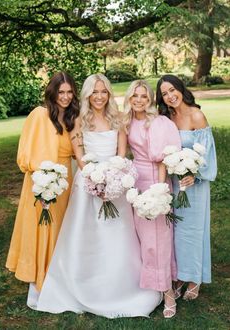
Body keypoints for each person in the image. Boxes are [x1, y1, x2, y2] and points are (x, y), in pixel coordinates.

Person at [27, 73, 161, 317]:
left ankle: (120, 287)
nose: (99, 97)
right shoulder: (78, 120)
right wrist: (93, 177)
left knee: (118, 236)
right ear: (87, 94)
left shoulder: (118, 118)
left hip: (115, 183)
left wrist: (113, 179)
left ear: (109, 94)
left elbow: (121, 154)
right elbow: (79, 154)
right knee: (85, 236)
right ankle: (80, 285)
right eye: (94, 92)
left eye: (104, 92)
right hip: (88, 182)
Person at [6, 72, 80, 291]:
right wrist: (42, 181)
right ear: (52, 92)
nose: (65, 97)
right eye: (61, 92)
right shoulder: (40, 114)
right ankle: (39, 276)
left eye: (69, 92)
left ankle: (57, 274)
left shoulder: (72, 119)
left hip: (64, 181)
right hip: (41, 181)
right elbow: (25, 151)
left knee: (60, 228)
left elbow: (78, 152)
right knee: (42, 227)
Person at [123, 80, 181, 318]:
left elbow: (160, 160)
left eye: (144, 96)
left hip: (156, 181)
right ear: (129, 98)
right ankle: (157, 285)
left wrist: (159, 190)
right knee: (145, 239)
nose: (139, 100)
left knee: (159, 239)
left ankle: (167, 292)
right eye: (135, 96)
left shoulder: (157, 122)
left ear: (150, 100)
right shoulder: (127, 122)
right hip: (136, 182)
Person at [156, 74, 217, 301]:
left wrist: (194, 174)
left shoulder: (196, 115)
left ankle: (195, 278)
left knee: (194, 231)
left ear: (181, 88)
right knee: (177, 231)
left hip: (195, 185)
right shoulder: (166, 118)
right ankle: (180, 274)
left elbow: (207, 154)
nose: (170, 96)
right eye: (164, 93)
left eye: (173, 90)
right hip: (174, 183)